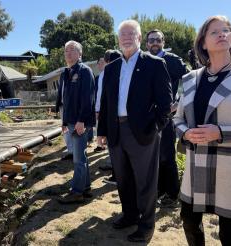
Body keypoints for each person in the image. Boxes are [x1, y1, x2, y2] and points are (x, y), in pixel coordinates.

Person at [173, 15, 231, 246]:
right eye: (214, 32)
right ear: (203, 43)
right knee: (188, 219)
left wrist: (222, 132)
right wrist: (185, 133)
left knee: (229, 232)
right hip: (195, 163)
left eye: (226, 30)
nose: (222, 34)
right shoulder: (189, 79)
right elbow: (177, 119)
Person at [97, 20, 172, 243]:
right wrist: (102, 132)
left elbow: (166, 103)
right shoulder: (111, 68)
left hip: (143, 133)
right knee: (123, 178)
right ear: (118, 40)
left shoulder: (155, 64)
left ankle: (146, 225)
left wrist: (155, 128)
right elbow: (106, 103)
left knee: (145, 181)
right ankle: (129, 215)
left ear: (139, 38)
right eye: (123, 34)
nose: (127, 37)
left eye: (131, 34)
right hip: (115, 131)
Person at [145, 29, 190, 207]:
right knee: (154, 157)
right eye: (151, 40)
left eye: (158, 40)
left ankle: (172, 195)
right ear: (146, 43)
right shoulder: (145, 61)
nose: (154, 43)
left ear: (163, 42)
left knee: (166, 156)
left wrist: (178, 103)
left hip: (167, 117)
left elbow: (190, 80)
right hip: (149, 118)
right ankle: (160, 190)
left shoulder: (172, 60)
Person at [58, 40, 95, 204]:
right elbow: (65, 99)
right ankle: (85, 188)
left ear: (80, 54)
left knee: (78, 159)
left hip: (80, 122)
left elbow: (88, 99)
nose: (68, 53)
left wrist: (81, 121)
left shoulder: (84, 71)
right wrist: (64, 121)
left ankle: (77, 191)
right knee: (82, 157)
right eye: (66, 51)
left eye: (72, 50)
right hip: (71, 121)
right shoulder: (66, 72)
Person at [96, 50, 123, 186]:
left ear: (106, 61)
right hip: (120, 118)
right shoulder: (122, 71)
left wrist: (98, 111)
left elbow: (102, 96)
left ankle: (116, 176)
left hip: (110, 116)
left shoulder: (106, 73)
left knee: (115, 148)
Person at [55, 74, 73, 160]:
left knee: (73, 129)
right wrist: (57, 106)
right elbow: (60, 91)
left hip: (72, 107)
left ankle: (76, 152)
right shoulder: (63, 74)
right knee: (65, 129)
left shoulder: (81, 72)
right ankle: (70, 151)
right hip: (62, 106)